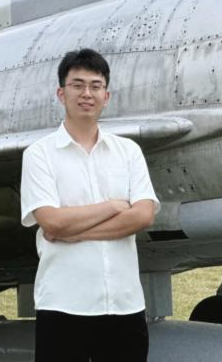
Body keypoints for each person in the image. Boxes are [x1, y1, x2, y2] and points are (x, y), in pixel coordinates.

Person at [21, 48, 160, 362]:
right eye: (78, 85)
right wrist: (113, 207)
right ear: (61, 93)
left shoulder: (129, 152)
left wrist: (74, 232)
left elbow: (143, 215)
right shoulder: (39, 154)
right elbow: (52, 222)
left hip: (125, 306)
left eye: (96, 86)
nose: (87, 93)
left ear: (106, 96)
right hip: (63, 306)